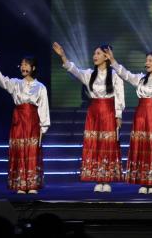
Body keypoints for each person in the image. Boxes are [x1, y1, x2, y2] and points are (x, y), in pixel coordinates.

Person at [53, 41, 124, 191]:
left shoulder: (115, 75)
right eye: (94, 53)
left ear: (106, 56)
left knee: (107, 144)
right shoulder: (89, 74)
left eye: (98, 53)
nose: (94, 56)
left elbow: (119, 96)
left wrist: (118, 115)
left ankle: (107, 179)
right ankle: (98, 179)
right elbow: (74, 70)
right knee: (95, 144)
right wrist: (63, 56)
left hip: (109, 112)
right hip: (93, 113)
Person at [109, 47, 152, 194]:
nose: (147, 63)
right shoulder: (141, 79)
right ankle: (143, 181)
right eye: (146, 60)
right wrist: (112, 60)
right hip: (141, 117)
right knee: (142, 147)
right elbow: (125, 74)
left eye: (150, 60)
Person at [0, 49, 49, 194]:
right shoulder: (15, 83)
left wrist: (43, 128)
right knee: (19, 150)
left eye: (26, 64)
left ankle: (32, 184)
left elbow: (43, 108)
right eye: (22, 64)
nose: (23, 67)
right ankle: (20, 184)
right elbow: (1, 79)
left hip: (33, 122)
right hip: (18, 121)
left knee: (32, 150)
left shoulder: (40, 87)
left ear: (33, 68)